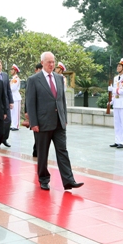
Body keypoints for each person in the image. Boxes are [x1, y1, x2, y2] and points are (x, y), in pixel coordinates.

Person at [26, 52, 84, 191]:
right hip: (42, 123)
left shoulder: (59, 78)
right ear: (42, 62)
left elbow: (61, 100)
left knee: (62, 151)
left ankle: (69, 180)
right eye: (48, 62)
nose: (51, 64)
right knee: (42, 153)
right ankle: (44, 179)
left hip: (59, 123)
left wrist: (64, 119)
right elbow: (30, 102)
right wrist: (33, 122)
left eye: (53, 62)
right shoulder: (34, 79)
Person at [108, 58, 123, 149]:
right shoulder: (115, 78)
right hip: (116, 102)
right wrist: (111, 101)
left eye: (119, 66)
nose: (117, 67)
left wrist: (112, 89)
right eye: (117, 66)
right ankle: (117, 141)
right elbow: (114, 93)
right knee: (117, 123)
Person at [0, 59, 14, 148]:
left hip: (5, 101)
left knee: (8, 121)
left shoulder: (5, 75)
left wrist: (11, 101)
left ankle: (4, 139)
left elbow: (8, 90)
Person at [24, 63, 42, 157]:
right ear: (36, 70)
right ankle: (36, 150)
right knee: (36, 132)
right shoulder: (32, 80)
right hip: (34, 111)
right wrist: (26, 111)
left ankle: (37, 150)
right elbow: (28, 97)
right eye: (39, 69)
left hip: (43, 112)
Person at [9, 64, 21, 131]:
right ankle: (13, 124)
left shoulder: (16, 79)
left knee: (16, 112)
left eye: (12, 70)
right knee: (12, 112)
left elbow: (13, 88)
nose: (11, 71)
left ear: (15, 71)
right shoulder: (13, 79)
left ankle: (16, 125)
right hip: (12, 97)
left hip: (16, 97)